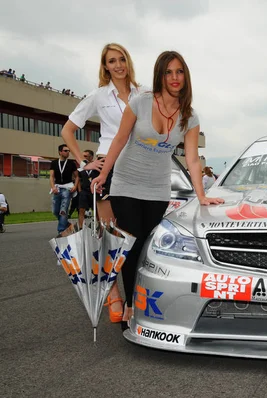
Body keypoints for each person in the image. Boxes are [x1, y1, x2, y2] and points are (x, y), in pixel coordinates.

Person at [91, 50, 224, 330]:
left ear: (185, 77)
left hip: (157, 189)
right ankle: (130, 307)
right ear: (160, 75)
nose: (174, 78)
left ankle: (144, 300)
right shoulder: (141, 102)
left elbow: (191, 158)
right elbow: (119, 139)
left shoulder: (190, 116)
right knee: (132, 243)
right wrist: (104, 174)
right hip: (126, 183)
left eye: (179, 72)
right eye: (169, 72)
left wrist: (201, 195)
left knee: (146, 248)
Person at [61, 42, 145, 323]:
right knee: (111, 236)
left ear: (128, 61)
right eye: (112, 61)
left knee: (133, 235)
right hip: (107, 167)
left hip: (138, 168)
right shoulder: (98, 96)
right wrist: (84, 164)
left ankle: (137, 295)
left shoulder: (143, 93)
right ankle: (113, 295)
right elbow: (67, 130)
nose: (118, 65)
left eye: (122, 59)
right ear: (105, 66)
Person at [49, 144, 78, 236]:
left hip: (67, 188)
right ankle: (67, 224)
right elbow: (51, 176)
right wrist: (53, 187)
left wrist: (75, 186)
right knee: (55, 210)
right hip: (57, 187)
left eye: (68, 151)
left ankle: (61, 230)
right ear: (60, 152)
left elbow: (77, 176)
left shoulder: (71, 163)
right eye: (65, 151)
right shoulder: (54, 163)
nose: (68, 152)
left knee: (63, 210)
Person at [77, 150, 95, 228]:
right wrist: (79, 190)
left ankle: (98, 228)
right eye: (83, 156)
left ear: (91, 157)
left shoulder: (96, 167)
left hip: (94, 191)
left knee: (97, 210)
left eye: (85, 156)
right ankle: (81, 228)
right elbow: (78, 178)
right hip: (84, 191)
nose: (83, 158)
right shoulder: (81, 168)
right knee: (81, 210)